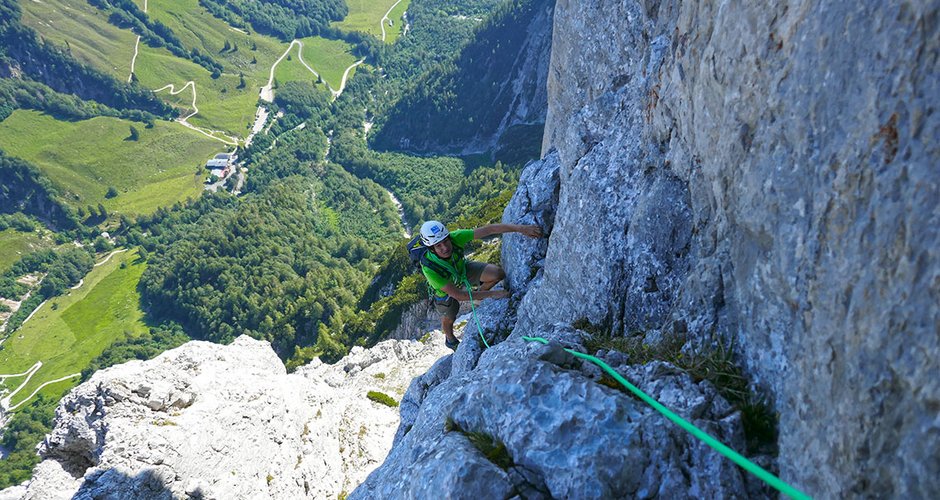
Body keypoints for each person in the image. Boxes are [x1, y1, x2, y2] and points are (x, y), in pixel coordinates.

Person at [418, 220, 542, 350]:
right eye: (438, 246)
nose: (445, 248)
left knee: (497, 273)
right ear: (431, 249)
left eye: (446, 241)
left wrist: (521, 228)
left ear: (449, 237)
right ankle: (450, 339)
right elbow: (459, 295)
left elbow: (489, 230)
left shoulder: (456, 237)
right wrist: (493, 294)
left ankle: (478, 297)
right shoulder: (430, 269)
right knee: (449, 317)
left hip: (462, 271)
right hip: (446, 291)